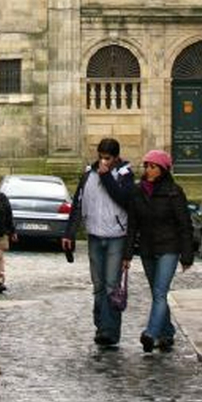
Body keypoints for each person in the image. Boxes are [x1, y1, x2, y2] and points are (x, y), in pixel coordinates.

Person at [62, 137, 134, 348]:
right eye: (101, 158)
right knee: (98, 285)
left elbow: (125, 200)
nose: (104, 162)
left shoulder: (125, 175)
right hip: (94, 234)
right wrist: (69, 233)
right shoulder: (88, 174)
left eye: (108, 158)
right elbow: (78, 202)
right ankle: (101, 325)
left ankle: (109, 331)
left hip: (116, 237)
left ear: (116, 157)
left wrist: (107, 178)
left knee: (112, 284)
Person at [123, 149, 193, 353]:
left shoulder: (174, 192)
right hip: (147, 248)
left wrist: (186, 254)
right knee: (157, 293)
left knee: (160, 292)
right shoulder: (138, 192)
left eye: (152, 167)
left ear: (163, 169)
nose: (148, 170)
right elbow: (132, 225)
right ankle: (167, 332)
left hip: (169, 248)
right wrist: (127, 254)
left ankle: (151, 334)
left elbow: (184, 225)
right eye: (146, 166)